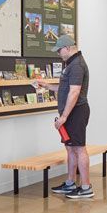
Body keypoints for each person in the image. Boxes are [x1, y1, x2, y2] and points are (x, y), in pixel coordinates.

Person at [35, 34, 93, 199]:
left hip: (76, 113)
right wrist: (47, 86)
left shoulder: (76, 65)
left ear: (68, 48)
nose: (58, 53)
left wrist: (64, 117)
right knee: (70, 148)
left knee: (79, 148)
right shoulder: (71, 63)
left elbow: (74, 92)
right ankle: (70, 183)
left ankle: (86, 187)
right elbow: (65, 88)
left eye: (59, 50)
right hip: (70, 114)